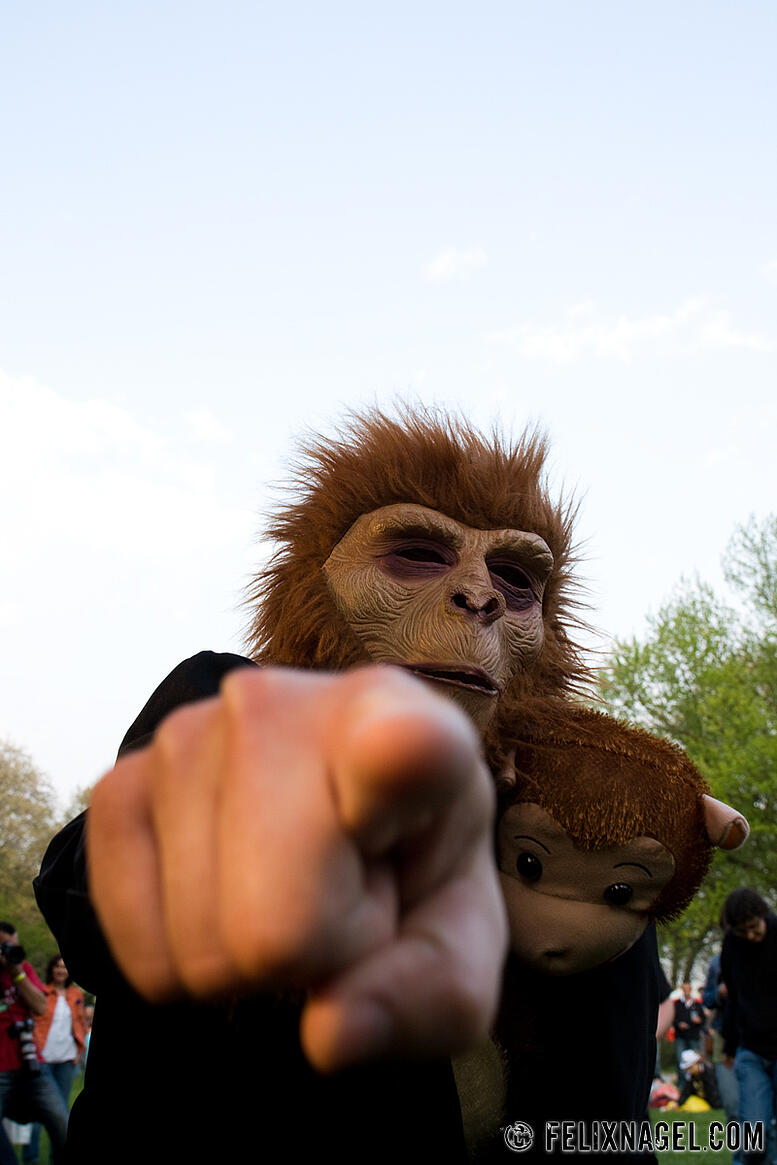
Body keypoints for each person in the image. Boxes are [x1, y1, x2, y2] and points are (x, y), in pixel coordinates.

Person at [30, 410, 683, 1163]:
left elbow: (606, 1110)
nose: (480, 594)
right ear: (319, 585)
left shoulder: (561, 829)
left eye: (516, 576)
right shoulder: (230, 704)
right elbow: (102, 910)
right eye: (415, 554)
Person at [0, 924, 69, 1162]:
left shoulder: (23, 969)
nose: (11, 950)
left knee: (62, 1121)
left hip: (32, 1063)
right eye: (5, 946)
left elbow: (40, 1007)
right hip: (0, 1067)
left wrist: (16, 973)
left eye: (14, 945)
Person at [721, 889, 777, 1165]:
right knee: (752, 1132)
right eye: (743, 931)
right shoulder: (732, 945)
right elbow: (733, 996)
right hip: (751, 1050)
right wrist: (729, 1045)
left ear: (763, 915)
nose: (751, 936)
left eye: (754, 927)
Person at [22, 956, 86, 1165]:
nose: (61, 970)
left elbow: (80, 1023)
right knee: (37, 1112)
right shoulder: (41, 990)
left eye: (64, 967)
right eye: (57, 967)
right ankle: (30, 1158)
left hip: (66, 1061)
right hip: (43, 1060)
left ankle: (58, 1158)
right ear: (52, 969)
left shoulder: (76, 994)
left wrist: (78, 1050)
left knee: (61, 1114)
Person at [673, 981, 706, 1069]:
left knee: (695, 1059)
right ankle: (682, 1081)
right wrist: (679, 1024)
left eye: (688, 989)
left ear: (690, 990)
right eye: (684, 989)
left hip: (693, 1036)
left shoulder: (697, 1004)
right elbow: (672, 1018)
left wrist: (699, 1020)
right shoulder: (677, 1004)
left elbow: (703, 1019)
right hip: (680, 1036)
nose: (686, 991)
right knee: (680, 1059)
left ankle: (694, 1080)